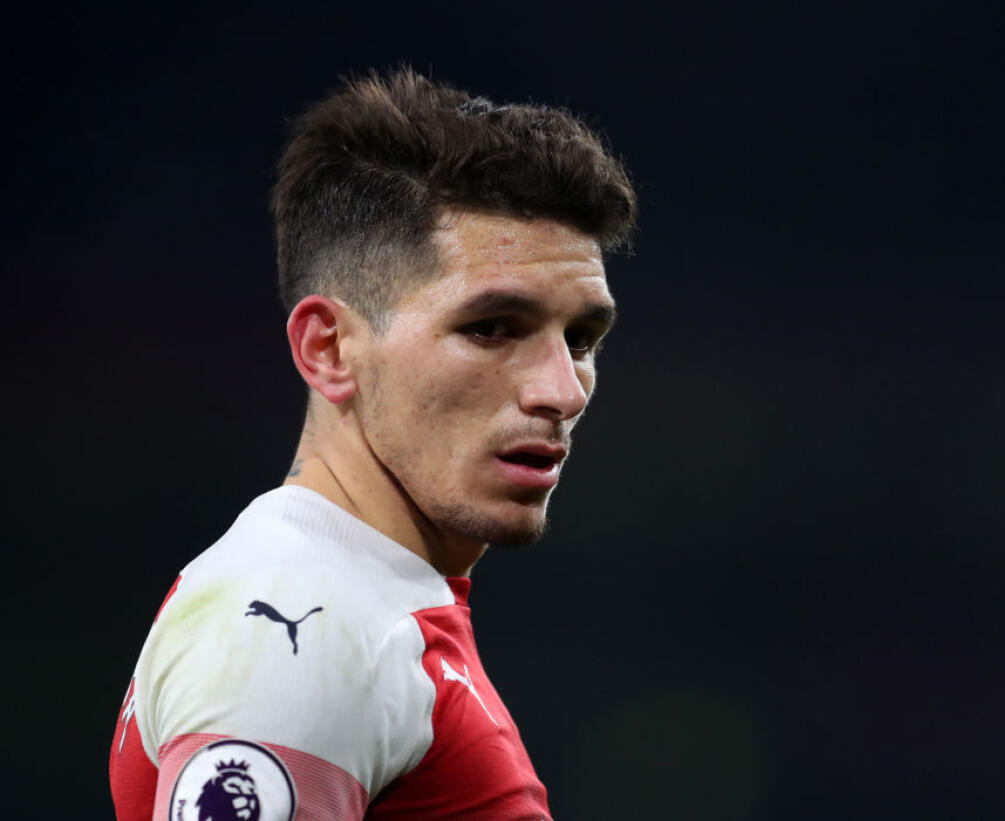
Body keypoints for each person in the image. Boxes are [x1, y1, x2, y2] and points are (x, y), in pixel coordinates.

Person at [108, 66, 636, 821]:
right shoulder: (301, 631)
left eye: (581, 338)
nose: (563, 391)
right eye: (491, 328)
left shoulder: (373, 611)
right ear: (328, 349)